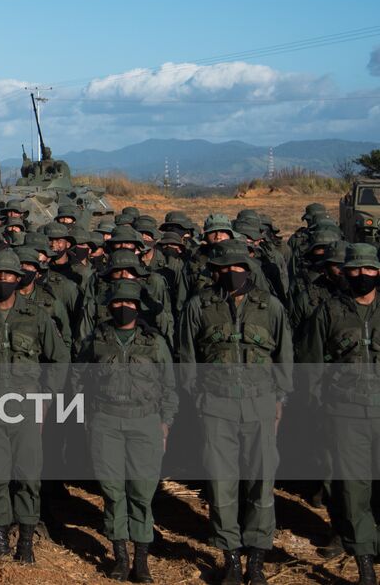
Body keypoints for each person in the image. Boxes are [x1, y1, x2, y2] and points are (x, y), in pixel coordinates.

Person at [179, 240, 292, 585]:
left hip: (259, 405)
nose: (232, 274)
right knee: (221, 483)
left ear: (249, 268)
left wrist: (279, 401)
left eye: (238, 267)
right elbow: (187, 357)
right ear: (215, 270)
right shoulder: (199, 305)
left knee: (261, 481)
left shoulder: (270, 306)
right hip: (216, 407)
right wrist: (198, 398)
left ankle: (256, 557)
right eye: (224, 268)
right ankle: (230, 556)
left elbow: (284, 356)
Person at [0, 248, 69, 563]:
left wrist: (46, 397)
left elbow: (58, 358)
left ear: (19, 279)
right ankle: (0, 540)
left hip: (27, 404)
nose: (3, 279)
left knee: (29, 474)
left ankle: (26, 543)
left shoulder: (36, 316)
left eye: (8, 275)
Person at [74, 279, 176, 583]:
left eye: (129, 303)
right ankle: (120, 555)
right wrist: (84, 418)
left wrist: (165, 425)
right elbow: (79, 379)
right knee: (113, 490)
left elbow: (169, 386)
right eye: (117, 302)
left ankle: (142, 560)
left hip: (144, 422)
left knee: (142, 492)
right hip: (105, 421)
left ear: (138, 306)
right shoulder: (96, 339)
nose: (123, 307)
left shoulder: (154, 342)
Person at [298, 243, 380, 585]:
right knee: (353, 488)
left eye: (368, 269)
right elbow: (310, 365)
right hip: (345, 414)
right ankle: (364, 565)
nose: (361, 276)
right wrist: (319, 411)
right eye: (354, 270)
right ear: (344, 273)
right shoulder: (328, 312)